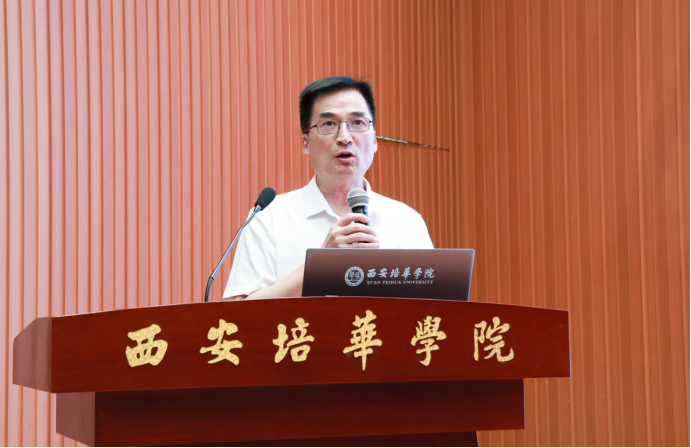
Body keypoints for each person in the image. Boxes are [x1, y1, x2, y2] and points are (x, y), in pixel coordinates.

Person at [223, 76, 433, 300]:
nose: (344, 138)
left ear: (374, 140)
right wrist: (319, 265)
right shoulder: (269, 218)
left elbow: (438, 308)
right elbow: (240, 313)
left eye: (357, 123)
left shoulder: (407, 221)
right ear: (306, 143)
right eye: (329, 124)